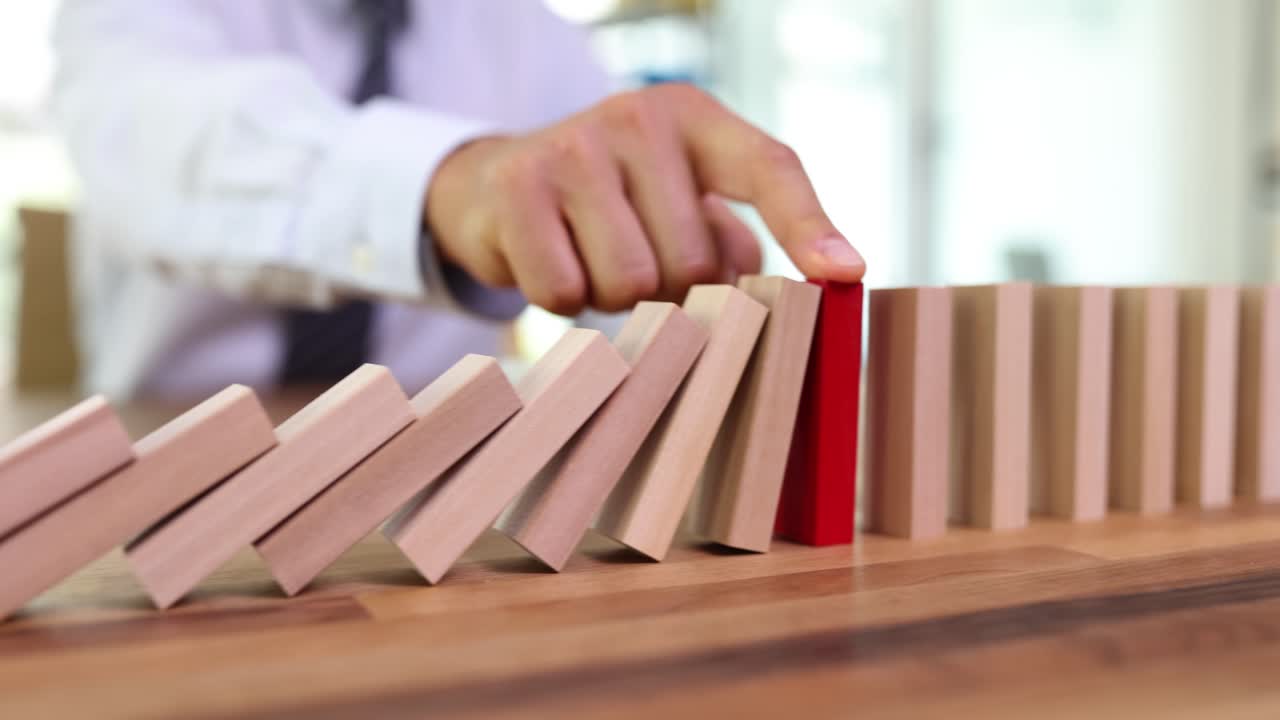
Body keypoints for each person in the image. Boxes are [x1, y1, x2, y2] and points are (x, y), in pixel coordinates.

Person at [52, 0, 865, 399]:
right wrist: (448, 182)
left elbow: (622, 282)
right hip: (164, 442)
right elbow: (144, 147)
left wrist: (694, 309)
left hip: (444, 454)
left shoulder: (529, 31)